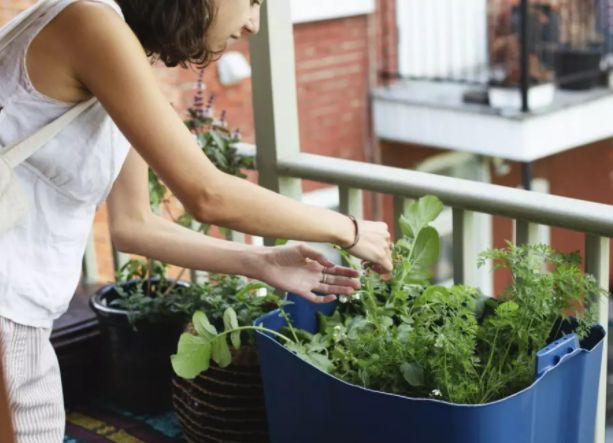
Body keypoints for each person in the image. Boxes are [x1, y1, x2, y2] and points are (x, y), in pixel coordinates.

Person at [0, 0, 392, 441]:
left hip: (23, 319)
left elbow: (135, 225)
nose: (253, 24)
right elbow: (208, 193)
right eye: (252, 2)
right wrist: (349, 229)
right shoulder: (91, 24)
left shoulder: (119, 49)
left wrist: (261, 262)